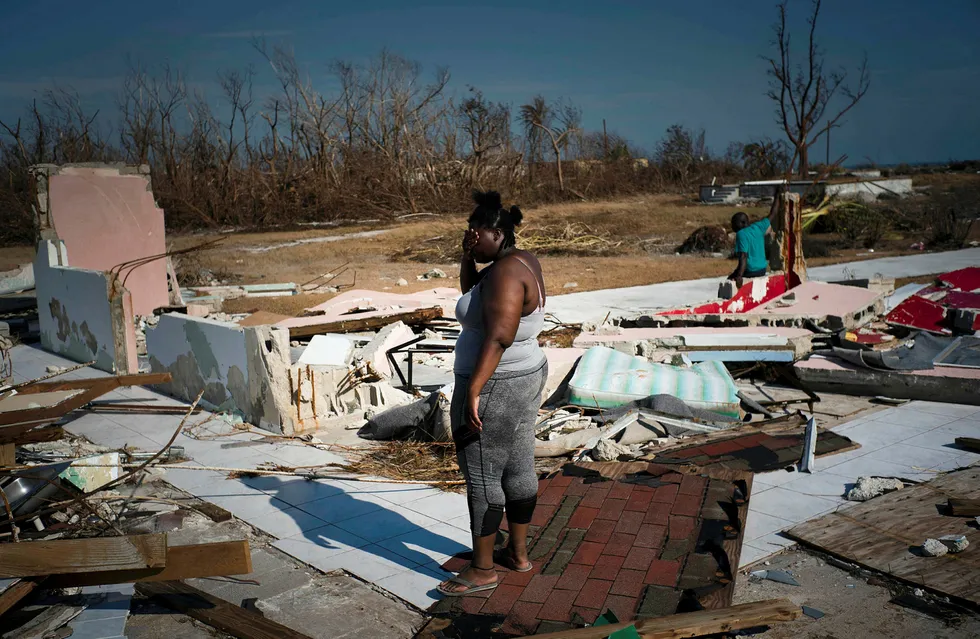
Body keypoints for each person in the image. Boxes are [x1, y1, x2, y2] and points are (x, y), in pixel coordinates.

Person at [437, 191, 549, 596]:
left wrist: (473, 392)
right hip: (524, 375)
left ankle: (482, 570)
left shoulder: (503, 273)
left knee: (483, 474)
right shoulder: (516, 262)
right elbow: (475, 298)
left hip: (497, 383)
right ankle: (517, 555)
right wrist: (467, 256)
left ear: (498, 234)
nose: (470, 235)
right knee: (518, 463)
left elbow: (498, 336)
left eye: (477, 231)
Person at [728, 185, 784, 289]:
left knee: (729, 280)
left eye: (734, 224)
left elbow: (743, 257)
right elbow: (773, 213)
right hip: (762, 269)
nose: (732, 227)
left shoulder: (741, 234)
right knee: (733, 274)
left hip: (752, 271)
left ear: (742, 223)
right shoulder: (758, 227)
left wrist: (739, 276)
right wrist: (777, 196)